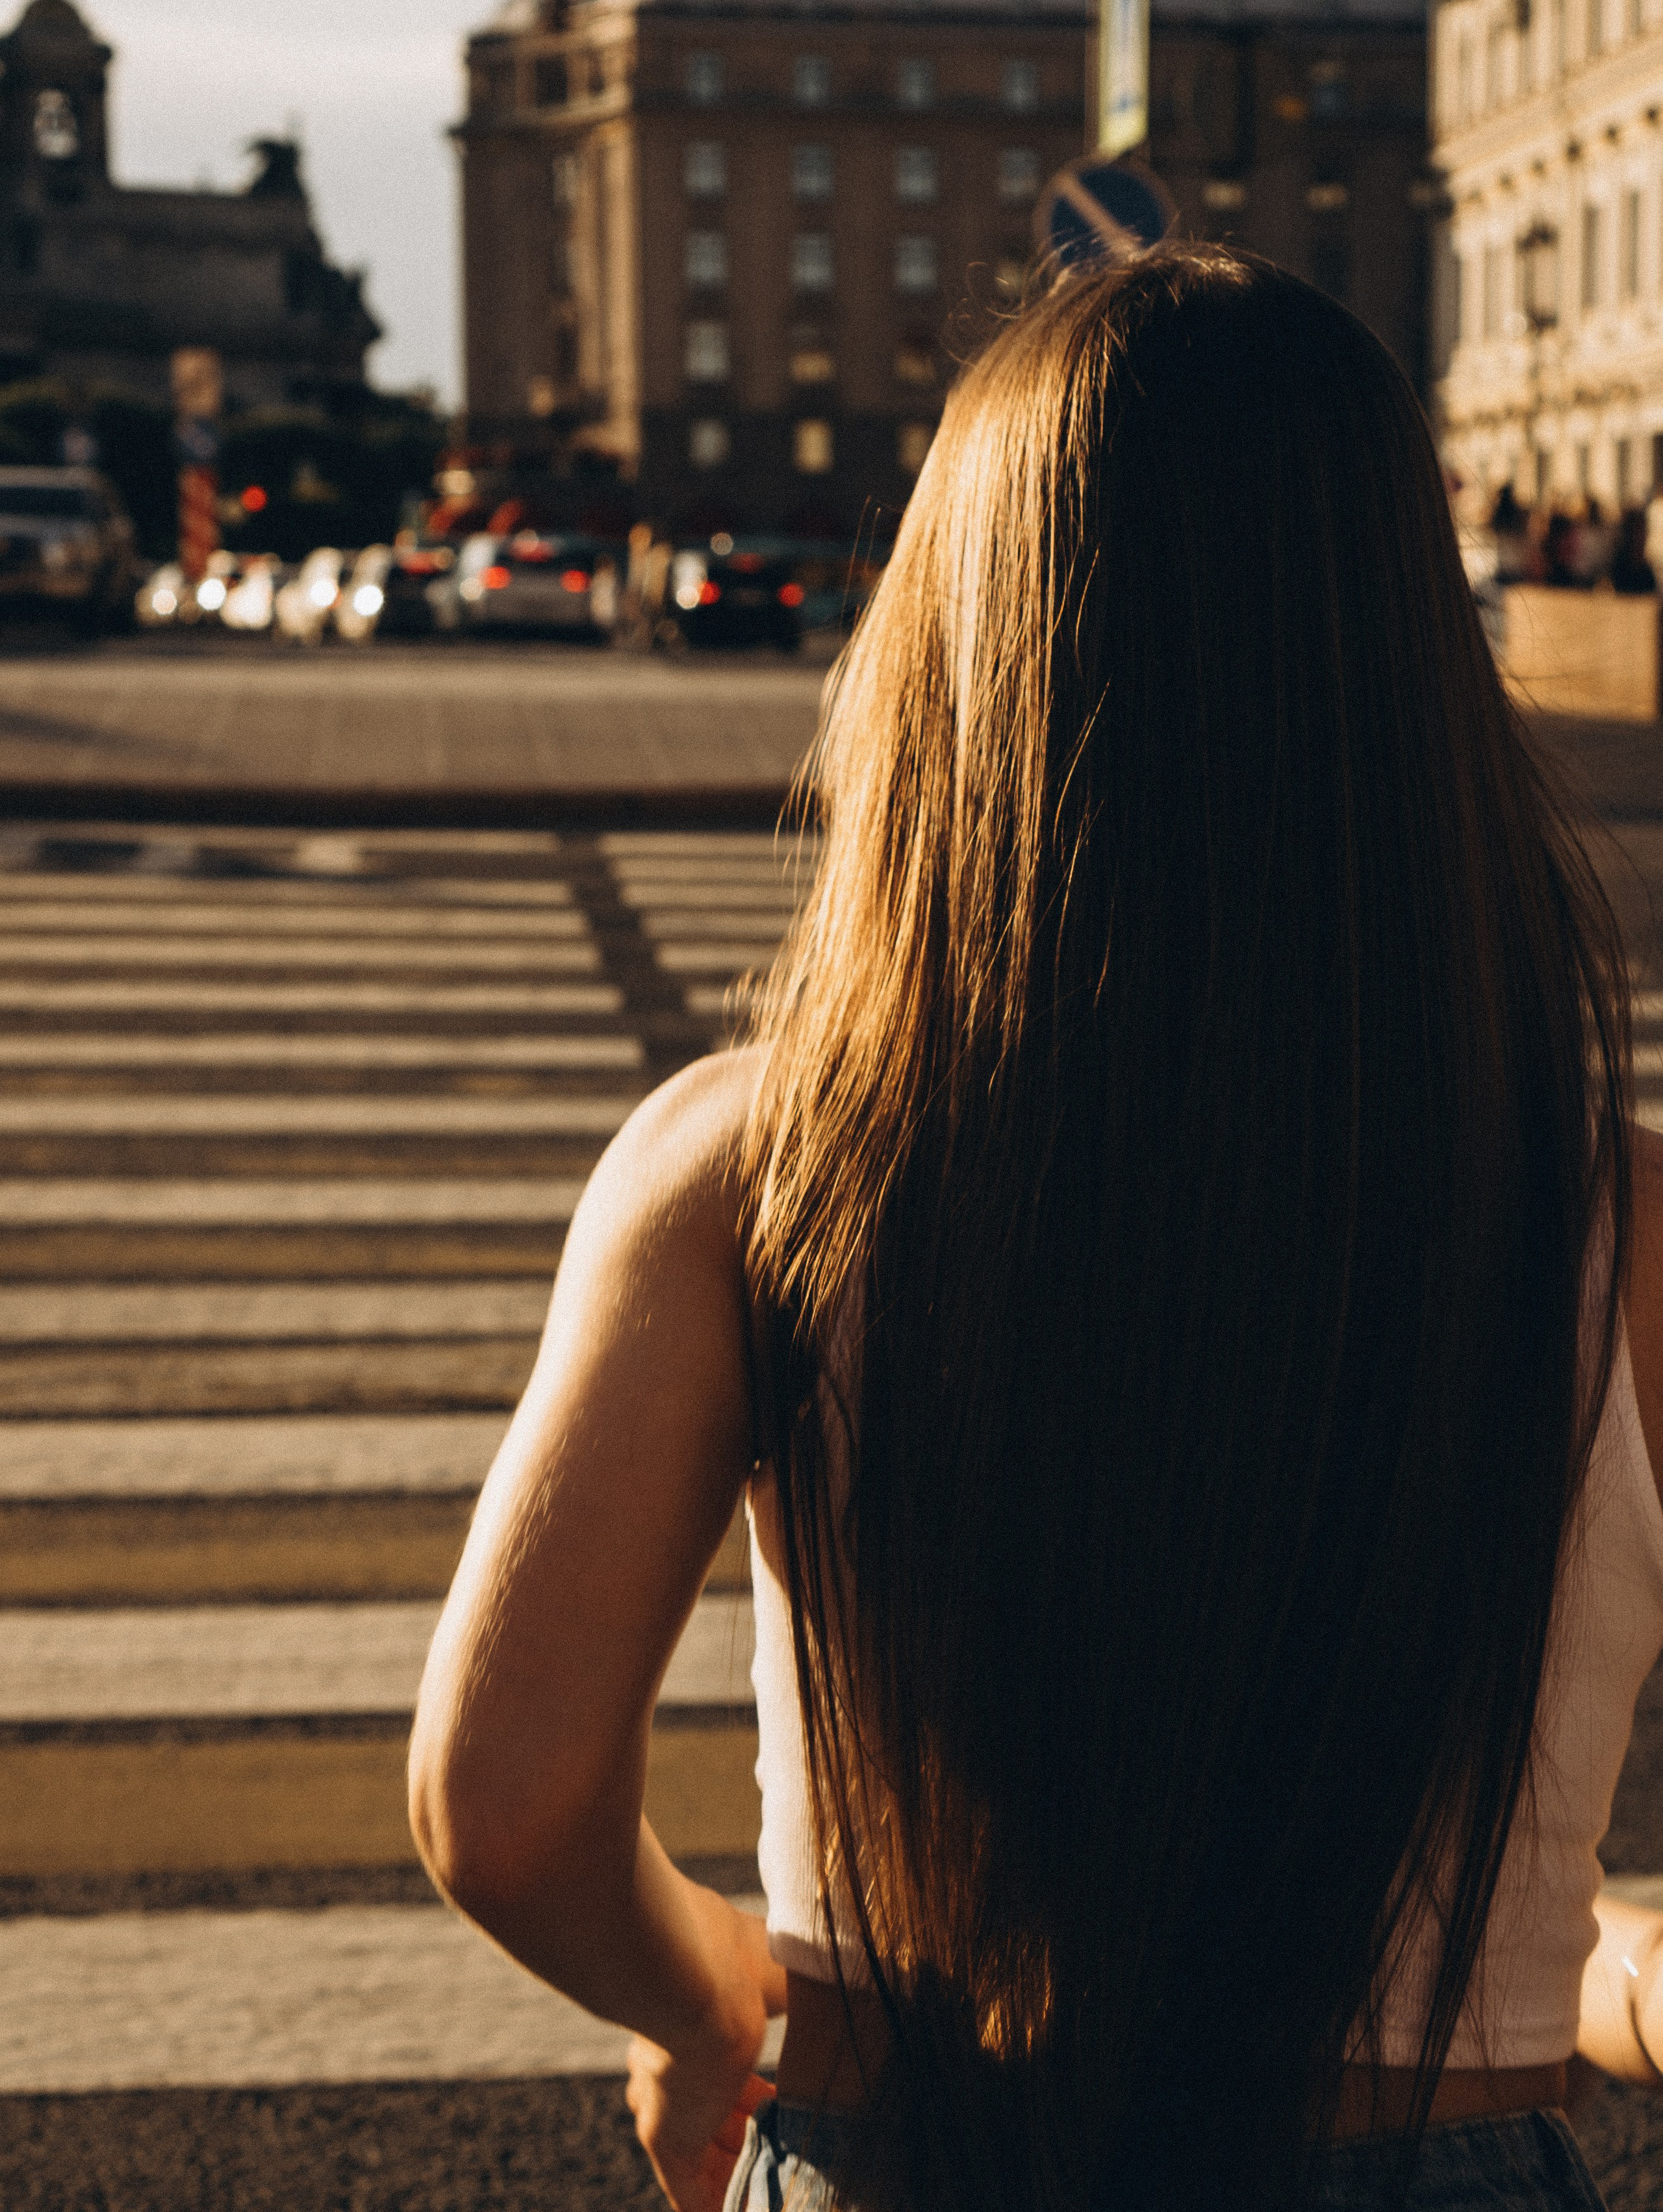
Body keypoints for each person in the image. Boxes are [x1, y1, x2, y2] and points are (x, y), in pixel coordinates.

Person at [409, 247, 1663, 2212]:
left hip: (900, 2147)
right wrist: (1609, 1970)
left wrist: (715, 2000)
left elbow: (504, 1807)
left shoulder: (758, 1168)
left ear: (948, 649)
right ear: (1422, 665)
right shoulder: (1617, 1216)